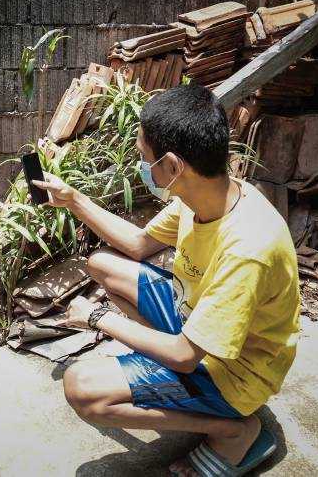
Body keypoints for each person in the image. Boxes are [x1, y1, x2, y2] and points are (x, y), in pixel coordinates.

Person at [32, 84, 300, 476]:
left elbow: (184, 357)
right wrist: (73, 199)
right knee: (104, 265)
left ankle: (232, 430)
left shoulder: (249, 249)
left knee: (82, 389)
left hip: (236, 373)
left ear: (173, 167)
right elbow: (138, 244)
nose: (142, 166)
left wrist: (96, 318)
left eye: (145, 157)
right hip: (195, 323)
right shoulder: (210, 195)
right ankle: (161, 374)